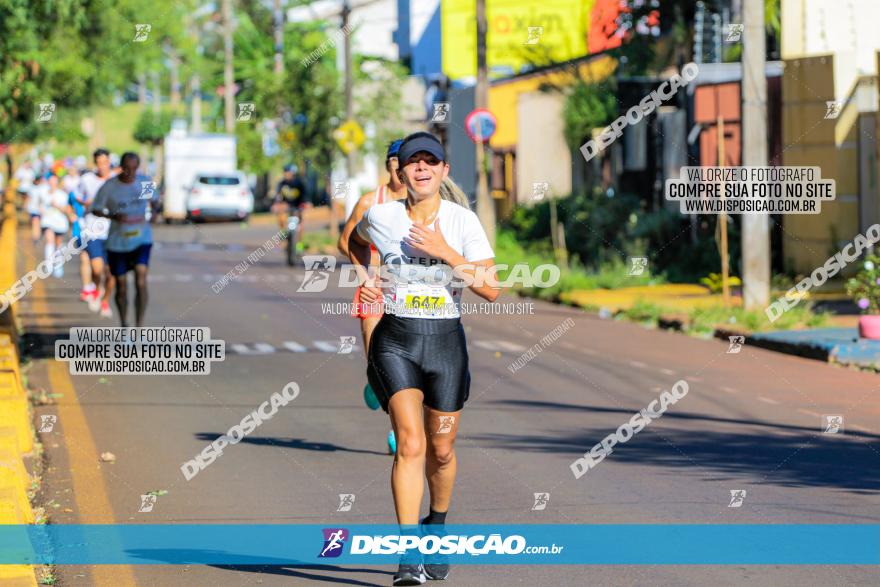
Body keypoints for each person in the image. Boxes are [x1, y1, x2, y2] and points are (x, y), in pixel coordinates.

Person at [348, 132, 501, 585]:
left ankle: (437, 523)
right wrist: (367, 276)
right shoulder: (380, 216)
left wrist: (444, 252)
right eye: (413, 162)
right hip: (395, 340)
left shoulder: (462, 222)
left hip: (444, 344)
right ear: (402, 172)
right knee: (409, 445)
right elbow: (352, 241)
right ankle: (408, 554)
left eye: (430, 162)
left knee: (441, 448)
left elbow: (491, 289)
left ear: (443, 171)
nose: (421, 169)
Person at [338, 139, 407, 454]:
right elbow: (346, 241)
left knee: (404, 363)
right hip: (374, 287)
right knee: (377, 356)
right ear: (388, 165)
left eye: (406, 160)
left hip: (408, 290)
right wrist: (366, 272)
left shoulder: (423, 202)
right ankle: (374, 380)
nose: (400, 166)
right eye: (395, 160)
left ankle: (398, 430)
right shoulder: (371, 202)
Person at [92, 152, 158, 327]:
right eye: (127, 168)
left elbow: (155, 202)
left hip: (142, 238)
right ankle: (124, 324)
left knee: (141, 278)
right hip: (118, 242)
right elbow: (96, 209)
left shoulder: (144, 182)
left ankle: (139, 325)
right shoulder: (110, 186)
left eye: (134, 168)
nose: (131, 172)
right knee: (121, 284)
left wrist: (155, 214)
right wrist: (113, 216)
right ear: (121, 167)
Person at [80, 149, 115, 317]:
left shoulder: (116, 180)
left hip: (113, 232)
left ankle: (105, 300)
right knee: (97, 268)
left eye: (105, 162)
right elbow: (76, 197)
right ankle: (95, 288)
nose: (102, 166)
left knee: (112, 273)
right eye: (99, 162)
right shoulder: (87, 180)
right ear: (95, 163)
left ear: (109, 162)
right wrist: (85, 203)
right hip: (92, 231)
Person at [39, 173, 74, 278]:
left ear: (57, 183)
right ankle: (49, 265)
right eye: (50, 181)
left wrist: (56, 206)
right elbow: (39, 205)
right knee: (50, 241)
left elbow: (67, 209)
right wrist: (40, 210)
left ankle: (58, 265)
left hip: (60, 222)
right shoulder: (43, 193)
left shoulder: (63, 195)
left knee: (58, 244)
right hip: (47, 221)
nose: (52, 183)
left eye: (54, 181)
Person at [272, 164, 309, 253]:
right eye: (285, 172)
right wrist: (276, 204)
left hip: (297, 207)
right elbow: (278, 197)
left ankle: (299, 245)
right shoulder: (282, 184)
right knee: (281, 217)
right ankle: (284, 237)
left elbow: (305, 196)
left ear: (293, 173)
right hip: (286, 207)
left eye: (288, 172)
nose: (286, 174)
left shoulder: (299, 183)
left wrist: (307, 203)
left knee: (301, 225)